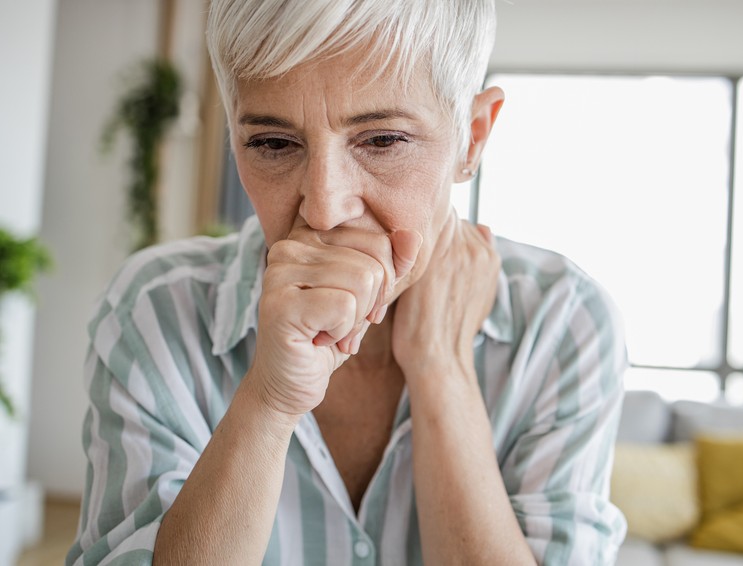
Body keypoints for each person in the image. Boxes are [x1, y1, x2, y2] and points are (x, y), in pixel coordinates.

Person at [67, 1, 627, 564]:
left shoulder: (564, 324)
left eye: (382, 141)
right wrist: (268, 401)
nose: (325, 207)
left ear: (473, 138)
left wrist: (443, 370)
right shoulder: (155, 309)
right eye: (274, 144)